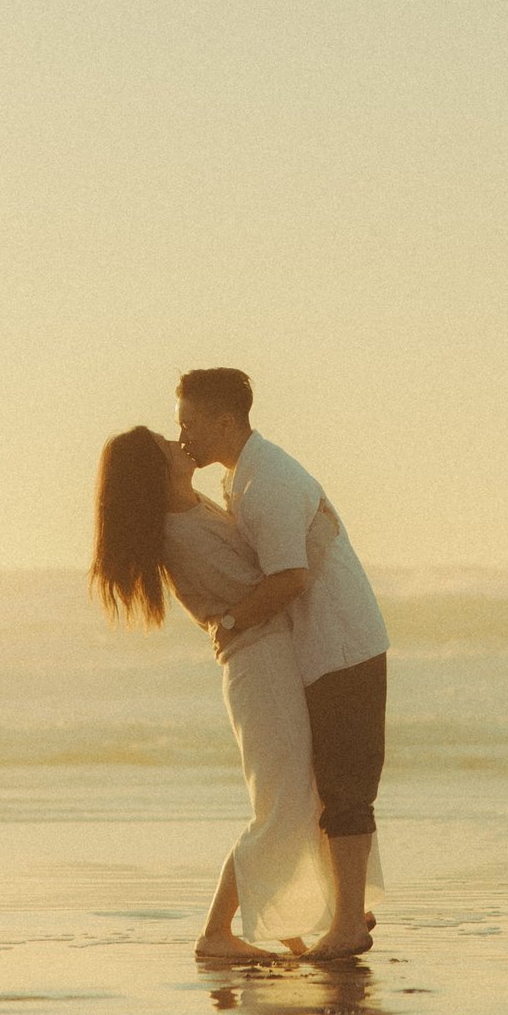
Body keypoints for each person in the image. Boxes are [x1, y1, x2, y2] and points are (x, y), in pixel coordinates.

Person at [90, 426, 382, 961]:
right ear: (155, 472)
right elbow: (263, 586)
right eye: (166, 445)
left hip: (272, 660)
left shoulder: (194, 508)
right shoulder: (181, 532)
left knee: (298, 794)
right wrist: (317, 533)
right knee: (280, 805)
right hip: (259, 667)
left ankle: (296, 926)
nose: (181, 443)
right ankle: (216, 933)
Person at [175, 368, 389, 962]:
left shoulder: (265, 481)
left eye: (191, 423)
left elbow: (289, 577)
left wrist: (232, 623)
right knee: (328, 784)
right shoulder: (243, 478)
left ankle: (346, 924)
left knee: (345, 786)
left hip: (342, 642)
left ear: (226, 421)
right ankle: (345, 914)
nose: (185, 435)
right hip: (318, 646)